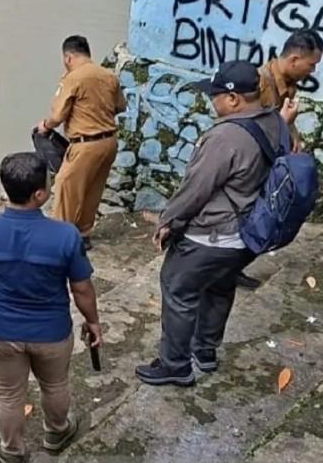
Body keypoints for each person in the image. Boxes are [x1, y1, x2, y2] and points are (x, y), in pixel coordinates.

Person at [135, 61, 282, 386]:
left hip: (212, 235)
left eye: (214, 95)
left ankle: (175, 365)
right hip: (247, 235)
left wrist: (168, 222)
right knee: (219, 287)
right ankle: (205, 351)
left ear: (233, 99)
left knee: (178, 289)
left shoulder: (225, 137)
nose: (210, 100)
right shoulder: (274, 121)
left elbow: (195, 190)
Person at [0, 152, 102, 462]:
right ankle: (57, 432)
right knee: (55, 384)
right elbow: (81, 288)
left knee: (8, 393)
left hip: (3, 330)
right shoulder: (66, 235)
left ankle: (12, 449)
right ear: (39, 194)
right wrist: (93, 321)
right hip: (52, 332)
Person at [235, 29, 322, 289]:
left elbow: (283, 123)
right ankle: (225, 269)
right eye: (311, 65)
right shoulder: (258, 84)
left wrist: (294, 137)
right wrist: (284, 126)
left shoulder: (287, 85)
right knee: (248, 220)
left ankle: (233, 267)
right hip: (249, 167)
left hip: (269, 164)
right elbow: (245, 132)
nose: (313, 71)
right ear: (294, 59)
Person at [37, 35, 127, 251]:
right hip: (109, 143)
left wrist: (45, 126)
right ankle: (83, 234)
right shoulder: (108, 76)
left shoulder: (73, 78)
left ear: (68, 57)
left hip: (85, 144)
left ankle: (60, 239)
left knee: (66, 187)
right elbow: (120, 106)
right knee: (93, 188)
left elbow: (58, 115)